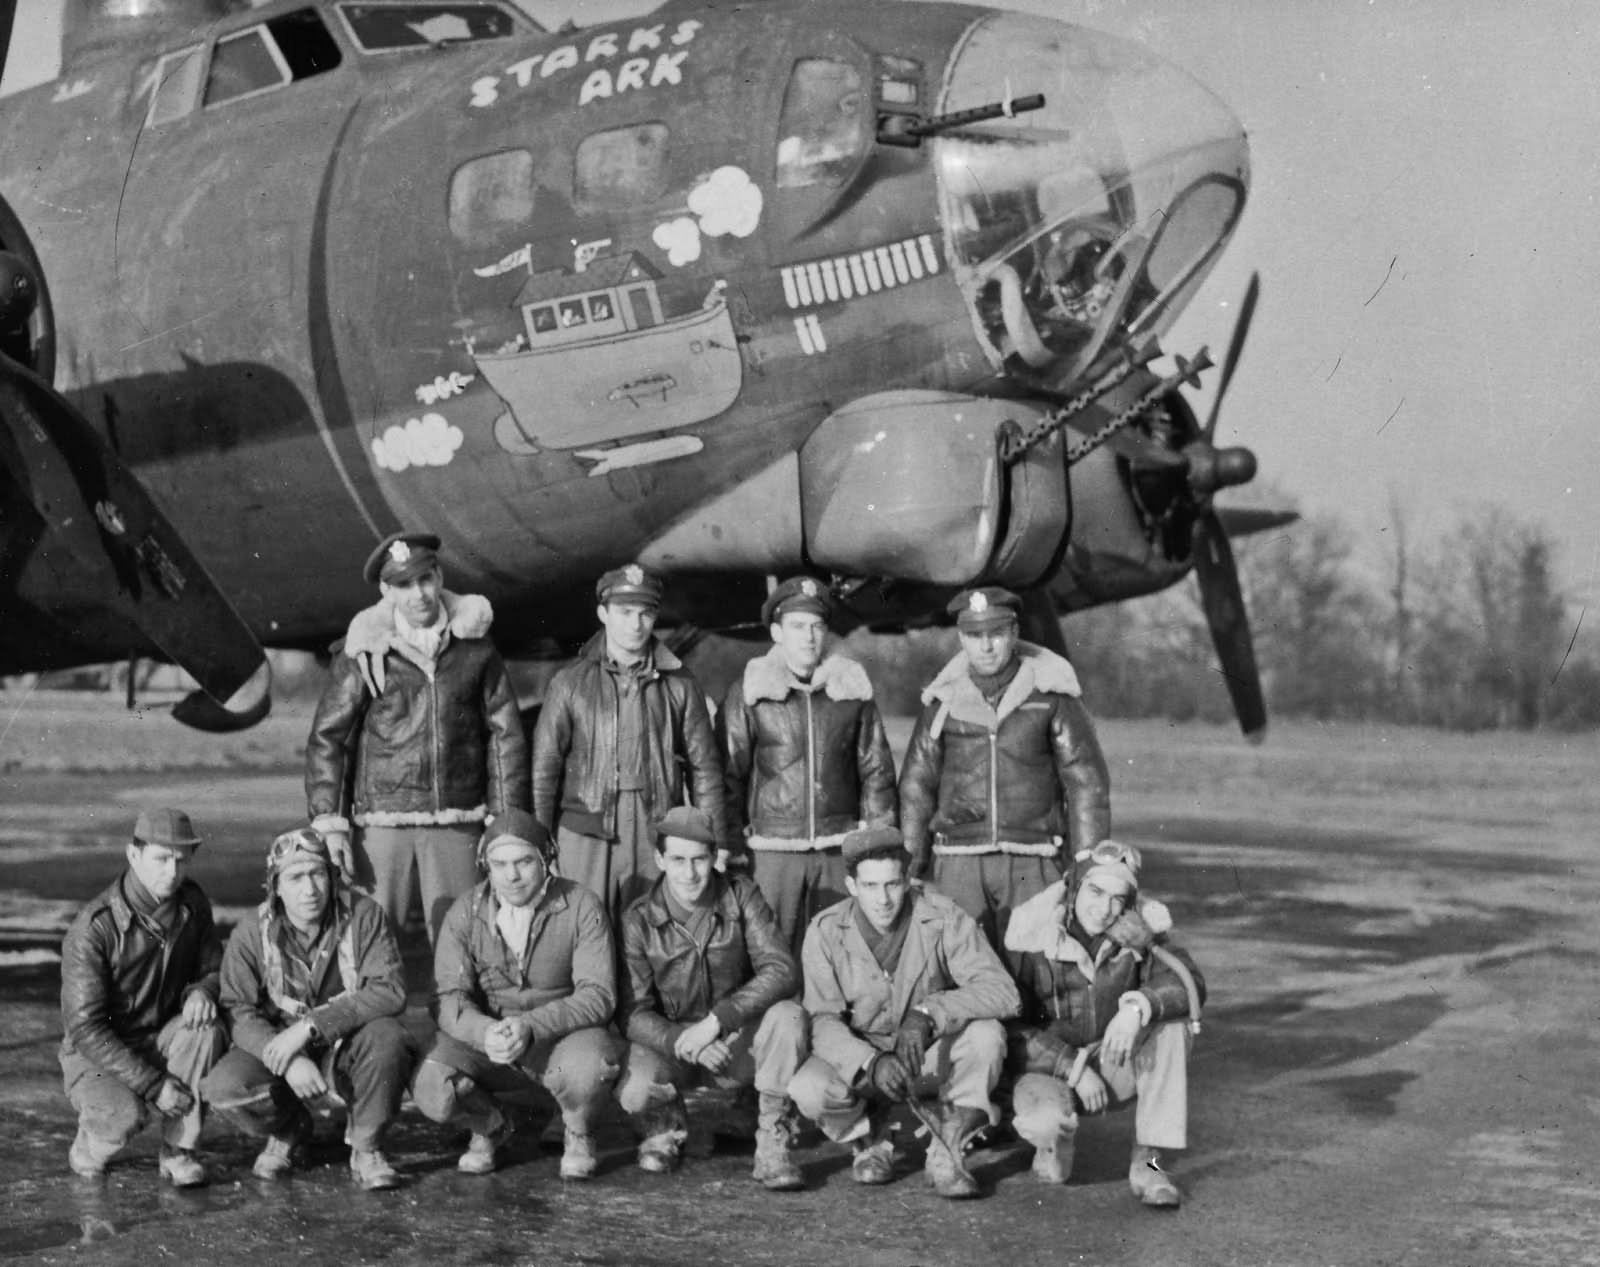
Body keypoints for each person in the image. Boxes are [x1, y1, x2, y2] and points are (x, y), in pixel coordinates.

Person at [305, 530, 528, 950]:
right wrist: (330, 824)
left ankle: (455, 998)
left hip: (456, 819)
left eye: (425, 579)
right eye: (404, 584)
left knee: (461, 943)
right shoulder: (364, 650)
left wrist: (506, 820)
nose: (418, 594)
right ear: (386, 591)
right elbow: (330, 738)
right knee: (369, 943)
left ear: (439, 577)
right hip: (381, 824)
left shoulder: (476, 647)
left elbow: (505, 737)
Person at [788, 826, 1020, 1199]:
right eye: (870, 886)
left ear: (908, 879)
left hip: (924, 1055)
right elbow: (822, 1020)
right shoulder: (826, 930)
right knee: (808, 1088)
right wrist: (869, 1062)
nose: (883, 899)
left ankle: (948, 1146)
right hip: (864, 1061)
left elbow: (1003, 992)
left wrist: (929, 1012)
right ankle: (870, 1139)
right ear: (851, 885)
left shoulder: (944, 916)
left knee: (986, 1035)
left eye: (893, 884)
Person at [411, 809, 621, 1179]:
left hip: (558, 1039)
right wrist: (483, 1031)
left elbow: (598, 994)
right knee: (430, 1084)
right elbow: (447, 995)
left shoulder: (581, 904)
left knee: (588, 1068)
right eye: (500, 864)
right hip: (491, 1040)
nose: (512, 875)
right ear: (485, 866)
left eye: (524, 861)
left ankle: (577, 1128)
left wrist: (531, 1025)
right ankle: (490, 1123)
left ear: (545, 859)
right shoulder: (465, 912)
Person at [898, 586, 1111, 949]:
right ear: (961, 638)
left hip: (1033, 859)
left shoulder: (1051, 697)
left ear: (1014, 632)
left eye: (996, 633)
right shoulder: (941, 703)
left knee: (1038, 965)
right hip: (958, 861)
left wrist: (1088, 863)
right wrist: (910, 867)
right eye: (974, 635)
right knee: (961, 963)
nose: (986, 646)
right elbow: (917, 786)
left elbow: (1085, 782)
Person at [201, 828, 413, 1190]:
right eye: (295, 878)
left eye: (318, 874)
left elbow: (389, 990)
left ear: (332, 877)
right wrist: (288, 1059)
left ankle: (367, 1145)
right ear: (276, 887)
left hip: (346, 1043)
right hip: (280, 1045)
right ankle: (289, 1128)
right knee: (225, 1087)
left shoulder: (364, 915)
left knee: (388, 1038)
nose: (310, 889)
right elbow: (237, 1007)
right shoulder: (252, 931)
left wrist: (311, 1027)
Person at [1003, 839, 1205, 1207]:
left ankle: (1150, 1164)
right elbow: (1011, 1026)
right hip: (1048, 1069)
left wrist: (1136, 1008)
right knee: (1048, 1132)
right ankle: (1053, 1146)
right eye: (1095, 892)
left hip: (1110, 1059)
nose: (1104, 909)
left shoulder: (1139, 936)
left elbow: (1187, 983)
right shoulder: (1030, 935)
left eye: (1117, 898)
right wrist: (1073, 1068)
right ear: (1074, 888)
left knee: (1170, 1029)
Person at [616, 806, 808, 1190]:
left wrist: (718, 1021)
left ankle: (772, 1138)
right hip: (676, 1045)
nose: (689, 873)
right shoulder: (638, 918)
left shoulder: (742, 895)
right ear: (660, 860)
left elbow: (781, 969)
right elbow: (633, 1012)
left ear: (715, 857)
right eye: (678, 860)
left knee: (789, 1017)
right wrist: (683, 1041)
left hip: (732, 1037)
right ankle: (664, 1124)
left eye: (700, 859)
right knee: (635, 1088)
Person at [532, 563, 725, 924]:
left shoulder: (680, 684)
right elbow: (545, 768)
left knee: (654, 931)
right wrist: (540, 843)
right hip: (586, 826)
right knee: (584, 928)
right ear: (603, 613)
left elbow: (704, 768)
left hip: (655, 824)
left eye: (645, 613)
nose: (635, 624)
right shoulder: (569, 683)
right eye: (624, 612)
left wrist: (715, 841)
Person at [718, 575, 897, 955]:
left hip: (837, 847)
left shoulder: (852, 690)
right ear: (776, 632)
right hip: (772, 850)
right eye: (797, 626)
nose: (809, 637)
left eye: (816, 626)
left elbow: (876, 772)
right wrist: (731, 847)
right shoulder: (750, 692)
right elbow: (728, 775)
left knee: (839, 951)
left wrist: (876, 846)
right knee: (770, 952)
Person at [58, 808, 226, 1186]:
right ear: (133, 855)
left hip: (162, 1036)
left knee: (206, 1029)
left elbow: (215, 968)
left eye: (181, 860)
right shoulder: (94, 929)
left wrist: (202, 991)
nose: (172, 871)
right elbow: (85, 1028)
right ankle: (91, 1145)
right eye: (161, 859)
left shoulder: (192, 902)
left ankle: (178, 1150)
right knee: (122, 1115)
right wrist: (153, 1085)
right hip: (99, 1053)